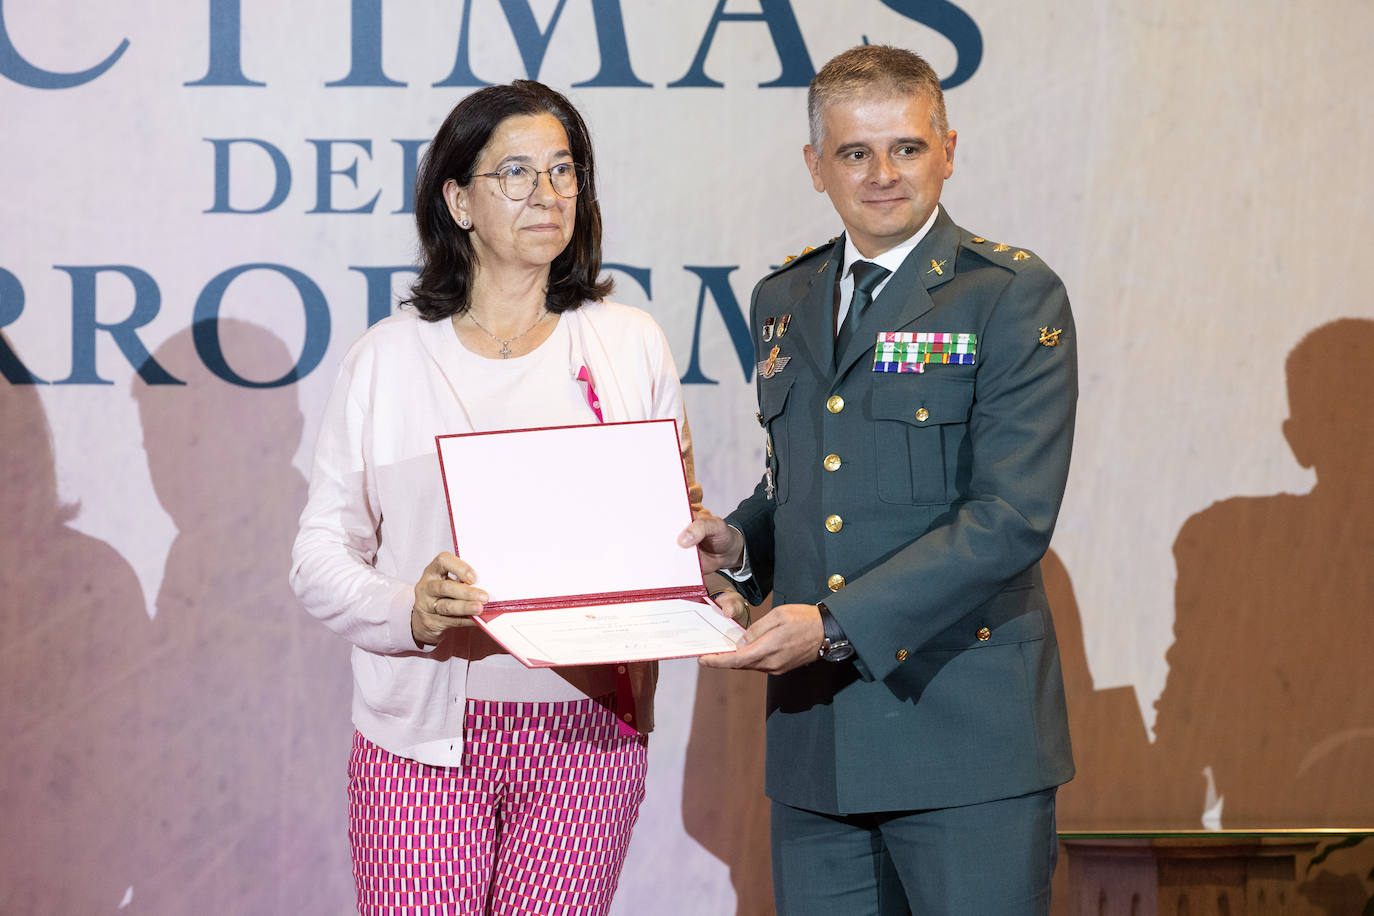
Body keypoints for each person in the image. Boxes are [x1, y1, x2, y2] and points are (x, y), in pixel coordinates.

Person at [292, 80, 721, 915]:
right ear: (457, 200)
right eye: (516, 173)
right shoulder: (388, 360)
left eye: (564, 171)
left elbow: (677, 523)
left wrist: (697, 562)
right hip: (420, 737)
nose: (548, 194)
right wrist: (410, 610)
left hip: (586, 733)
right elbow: (317, 557)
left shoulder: (629, 344)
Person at [679, 45, 1078, 915]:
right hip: (819, 748)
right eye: (855, 153)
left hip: (967, 742)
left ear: (949, 147)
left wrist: (829, 626)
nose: (883, 174)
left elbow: (1010, 517)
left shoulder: (1008, 295)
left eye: (906, 147)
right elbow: (810, 473)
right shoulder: (784, 296)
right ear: (816, 166)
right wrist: (743, 541)